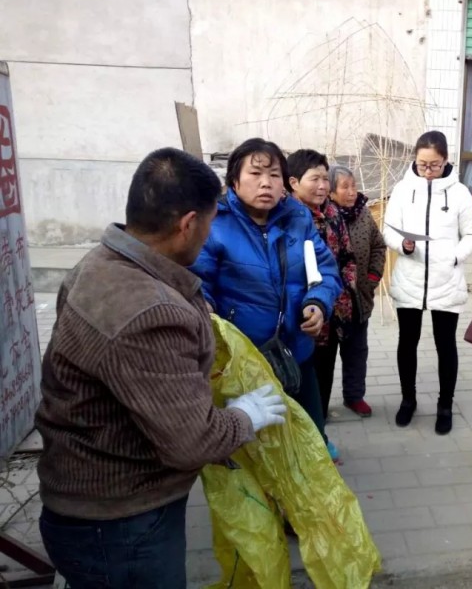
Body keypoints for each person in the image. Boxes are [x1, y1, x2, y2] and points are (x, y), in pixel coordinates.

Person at [35, 148, 288, 588]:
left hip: (88, 506)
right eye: (209, 224)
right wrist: (243, 417)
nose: (209, 236)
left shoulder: (100, 264)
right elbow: (192, 441)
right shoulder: (149, 312)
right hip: (119, 524)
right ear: (188, 224)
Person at [191, 138, 343, 459]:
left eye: (274, 175)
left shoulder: (298, 218)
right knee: (258, 451)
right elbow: (196, 283)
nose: (266, 183)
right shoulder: (215, 223)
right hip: (244, 361)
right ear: (234, 180)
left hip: (296, 353)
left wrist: (317, 302)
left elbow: (324, 270)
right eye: (255, 173)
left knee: (310, 439)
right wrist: (203, 309)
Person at [383, 130, 472, 434]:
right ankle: (408, 400)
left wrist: (454, 256)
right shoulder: (403, 189)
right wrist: (402, 245)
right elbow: (389, 229)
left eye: (434, 165)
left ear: (446, 160)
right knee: (407, 342)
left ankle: (445, 405)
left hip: (445, 279)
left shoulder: (459, 193)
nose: (427, 171)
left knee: (445, 344)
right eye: (422, 164)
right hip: (410, 278)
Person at [287, 150, 358, 458]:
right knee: (300, 380)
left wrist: (346, 289)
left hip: (332, 310)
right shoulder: (287, 217)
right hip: (298, 318)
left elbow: (347, 257)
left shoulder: (333, 213)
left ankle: (320, 433)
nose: (322, 186)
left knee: (324, 375)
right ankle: (301, 444)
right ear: (293, 183)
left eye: (324, 179)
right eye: (314, 179)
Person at [327, 164, 386, 417]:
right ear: (330, 192)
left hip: (359, 298)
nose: (352, 192)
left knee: (357, 352)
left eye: (353, 186)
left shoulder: (363, 214)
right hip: (329, 301)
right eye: (345, 187)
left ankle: (354, 396)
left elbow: (379, 246)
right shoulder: (323, 216)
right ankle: (320, 404)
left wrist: (372, 278)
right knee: (325, 356)